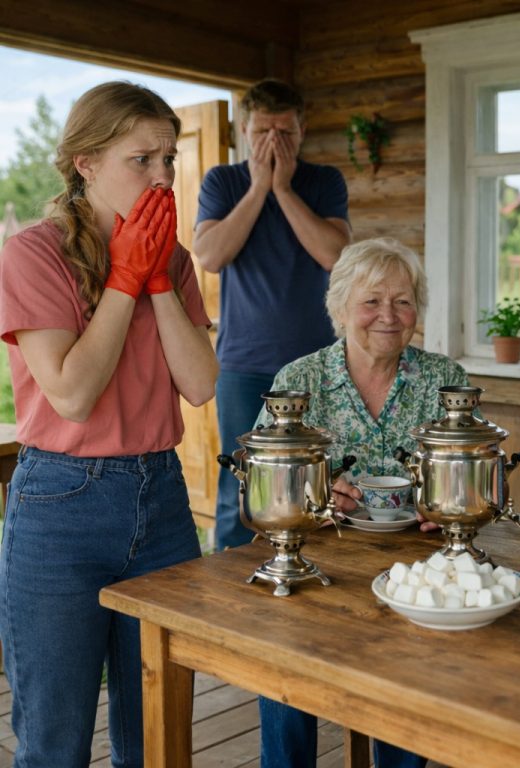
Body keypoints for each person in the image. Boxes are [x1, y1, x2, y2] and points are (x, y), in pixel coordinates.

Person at [0, 82, 219, 766]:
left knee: (156, 734)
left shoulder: (175, 260)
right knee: (55, 739)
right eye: (141, 159)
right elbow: (71, 392)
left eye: (169, 158)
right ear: (86, 163)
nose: (161, 177)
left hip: (162, 500)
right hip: (61, 507)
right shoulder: (31, 255)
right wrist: (124, 283)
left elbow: (201, 384)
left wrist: (156, 279)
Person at [254, 237, 470, 768]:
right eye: (372, 301)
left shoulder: (446, 381)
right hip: (318, 564)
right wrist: (313, 494)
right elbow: (263, 488)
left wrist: (445, 505)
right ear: (340, 308)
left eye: (403, 301)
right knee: (282, 660)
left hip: (417, 571)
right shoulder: (298, 382)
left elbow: (468, 483)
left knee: (406, 677)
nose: (389, 316)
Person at [193, 77, 352, 551]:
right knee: (238, 486)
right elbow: (209, 255)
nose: (273, 142)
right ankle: (231, 594)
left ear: (302, 131)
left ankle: (305, 576)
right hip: (243, 365)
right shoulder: (223, 181)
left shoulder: (323, 181)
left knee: (316, 483)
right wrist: (258, 188)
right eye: (263, 132)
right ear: (245, 129)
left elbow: (336, 256)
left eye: (285, 132)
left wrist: (282, 189)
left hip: (317, 366)